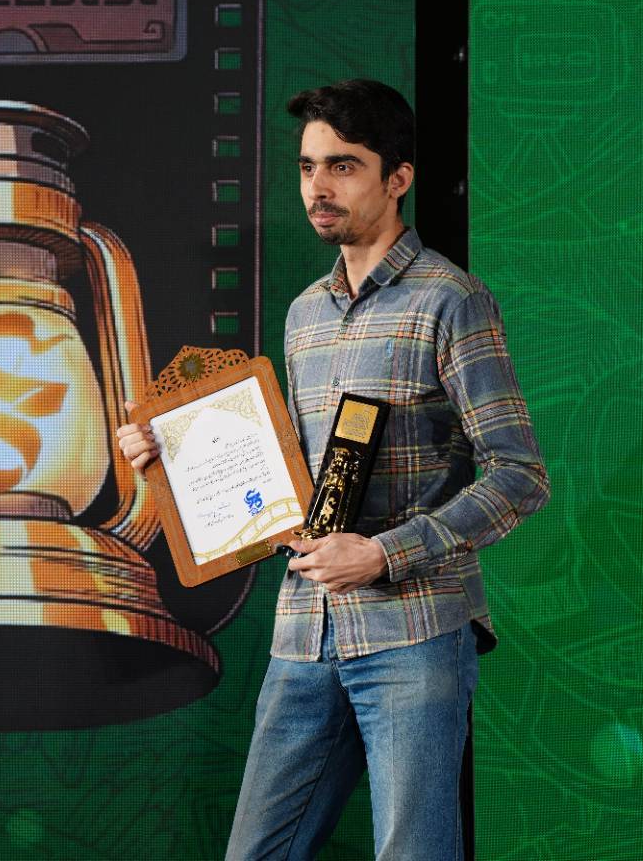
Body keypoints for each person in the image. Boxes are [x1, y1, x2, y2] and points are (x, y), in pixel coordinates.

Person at [116, 79, 549, 860]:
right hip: (304, 632)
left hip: (415, 631)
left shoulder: (452, 300)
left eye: (343, 166)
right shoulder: (304, 314)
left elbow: (519, 474)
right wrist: (169, 460)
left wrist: (385, 553)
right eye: (309, 166)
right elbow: (291, 486)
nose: (319, 186)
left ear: (399, 177)